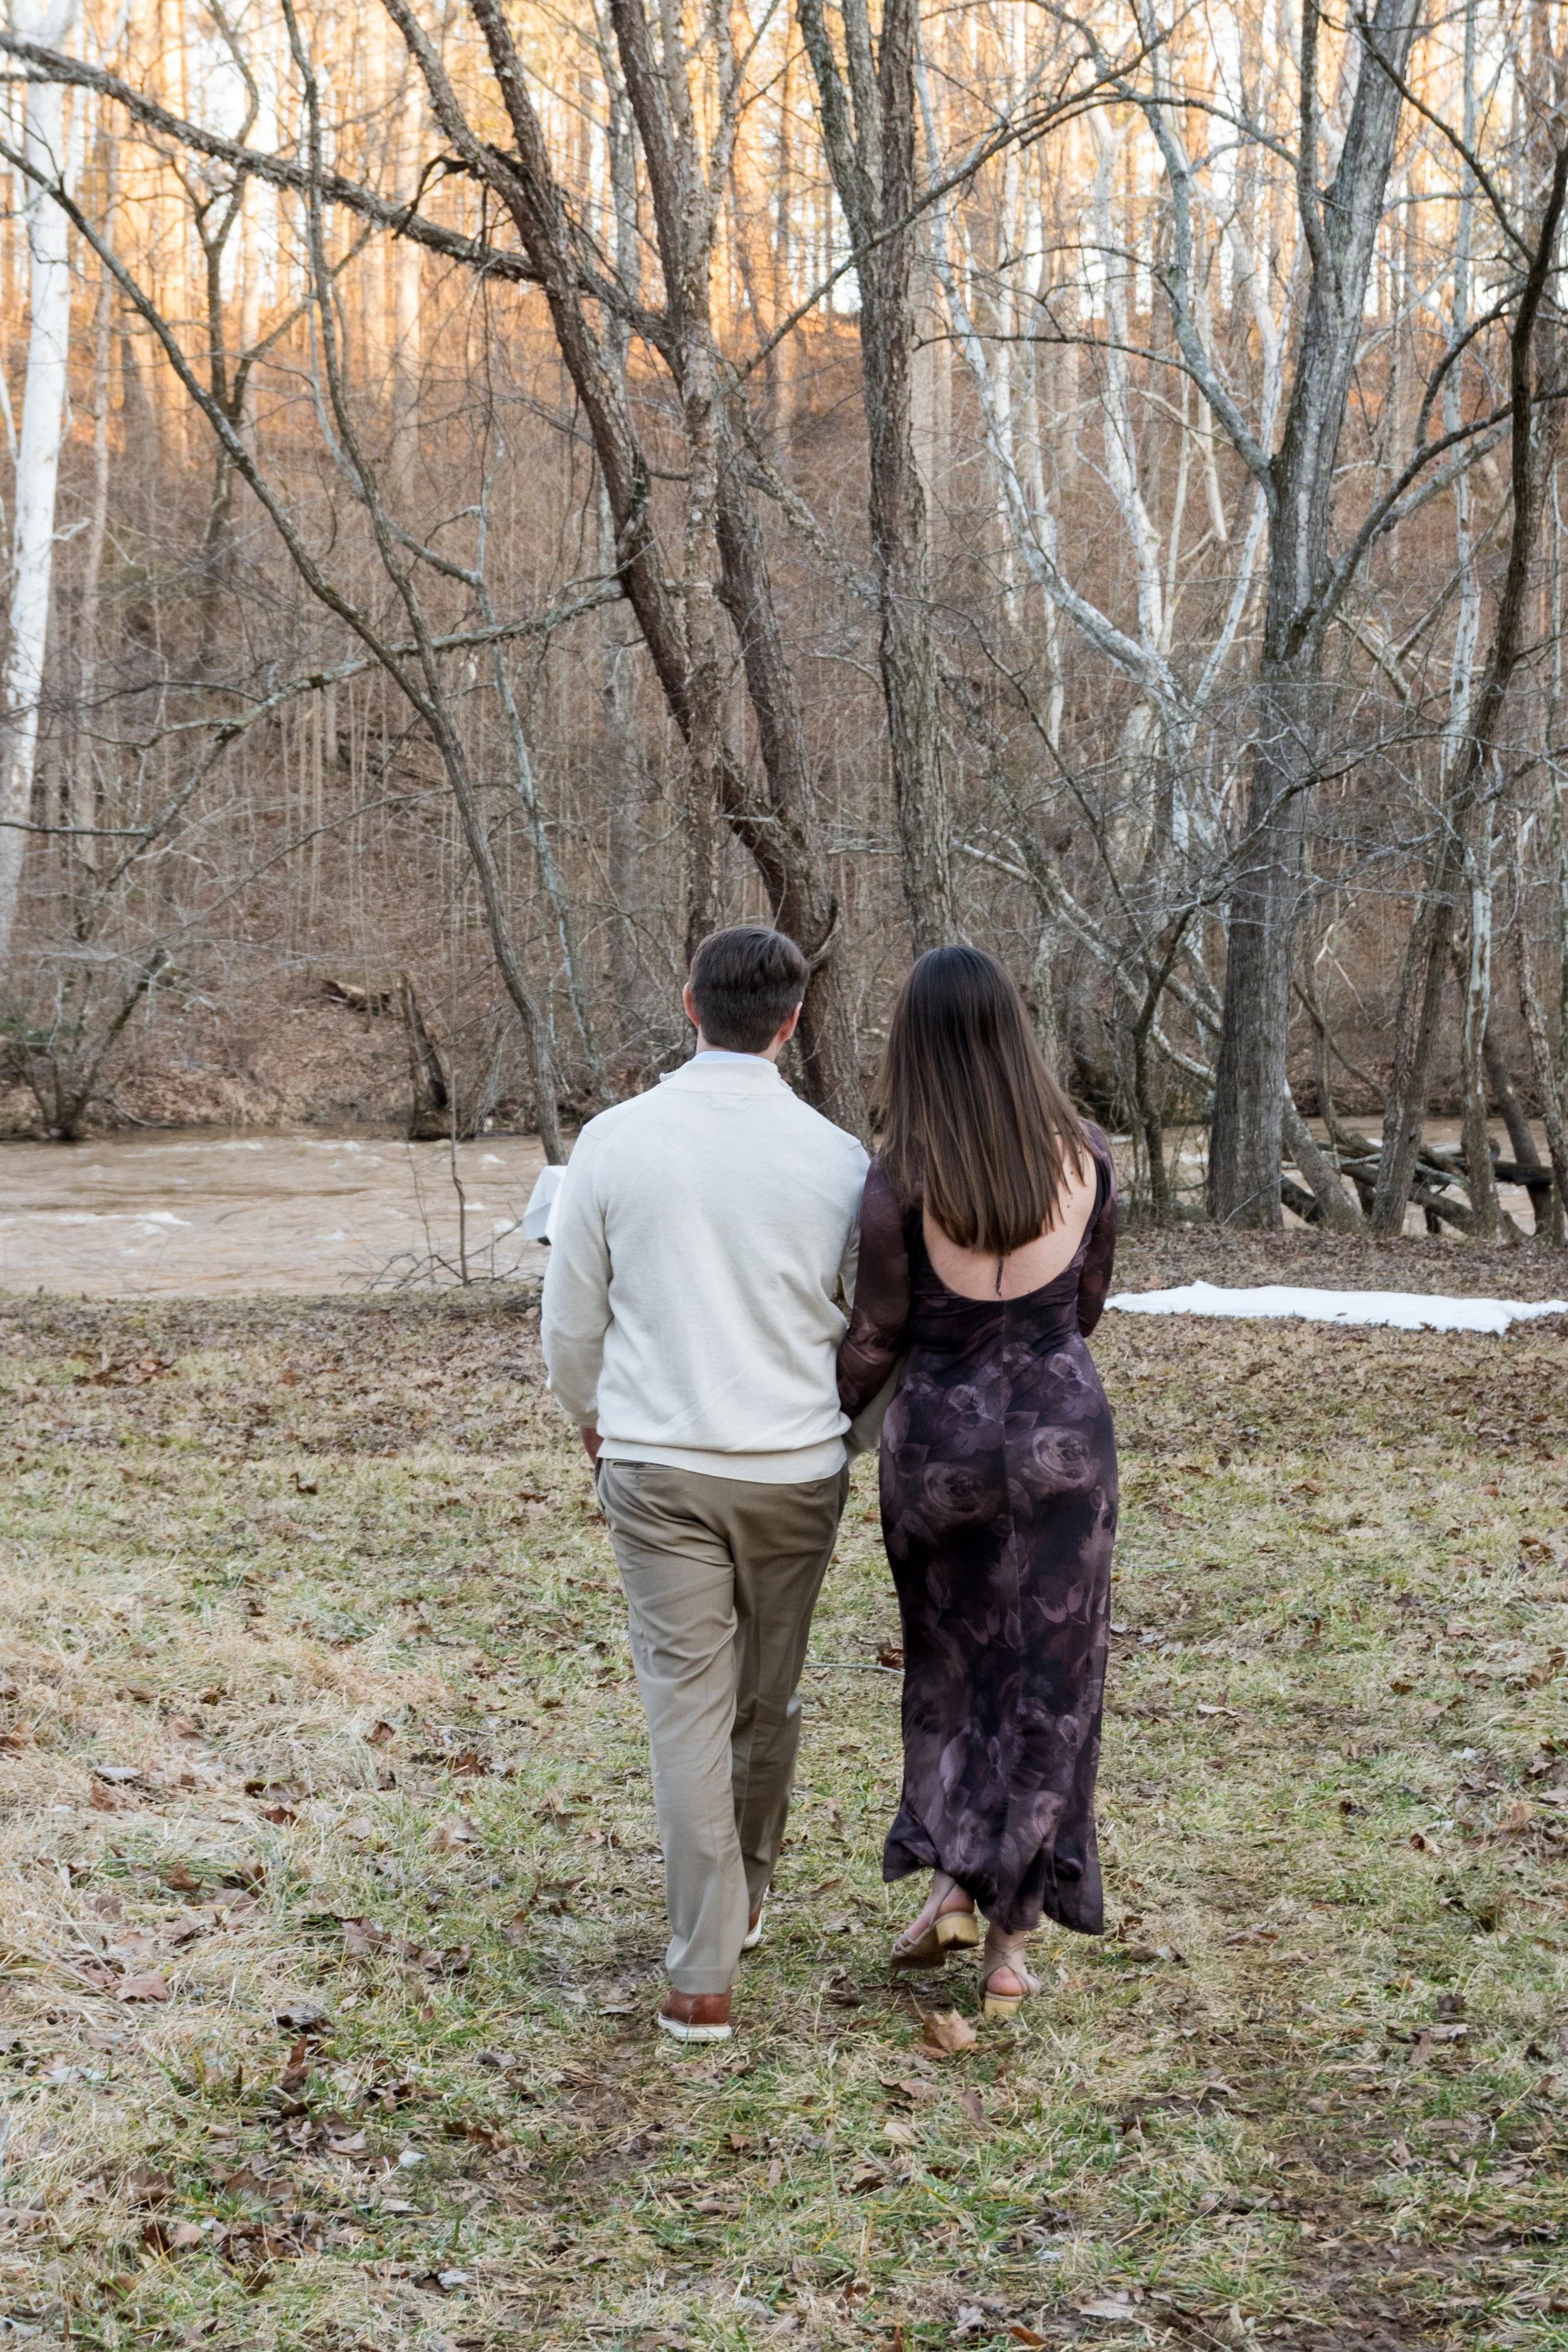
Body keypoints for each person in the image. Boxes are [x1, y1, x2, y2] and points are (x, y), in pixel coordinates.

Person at [541, 926, 868, 2043]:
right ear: (792, 1020)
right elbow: (873, 1327)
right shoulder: (839, 1157)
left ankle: (702, 1970)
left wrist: (591, 1415)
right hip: (794, 1468)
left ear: (689, 1005)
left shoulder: (615, 1142)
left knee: (688, 1708)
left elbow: (570, 1318)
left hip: (659, 1463)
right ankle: (748, 1897)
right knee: (765, 1697)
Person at [836, 946, 1118, 2018]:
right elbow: (1084, 1305)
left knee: (952, 1672)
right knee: (1052, 1682)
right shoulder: (1087, 1152)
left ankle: (954, 1877)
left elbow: (878, 1332)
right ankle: (1008, 1940)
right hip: (1064, 1441)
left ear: (916, 1042)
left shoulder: (902, 1170)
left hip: (940, 1452)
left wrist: (818, 1401)